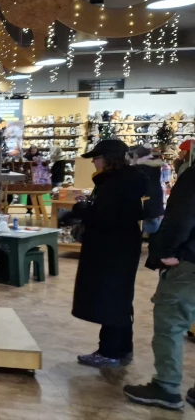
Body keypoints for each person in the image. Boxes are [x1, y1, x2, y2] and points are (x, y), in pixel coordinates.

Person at [124, 143, 195, 409]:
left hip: (188, 264)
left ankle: (166, 386)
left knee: (171, 324)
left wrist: (167, 251)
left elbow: (181, 216)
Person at [72, 139, 147, 367]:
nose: (94, 161)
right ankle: (122, 348)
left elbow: (105, 217)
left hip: (111, 251)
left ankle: (109, 351)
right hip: (120, 248)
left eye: (97, 157)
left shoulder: (115, 184)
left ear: (108, 158)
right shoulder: (124, 181)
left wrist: (83, 209)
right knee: (120, 299)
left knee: (110, 299)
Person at [129, 145, 165, 236]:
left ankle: (155, 242)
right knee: (153, 218)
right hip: (155, 194)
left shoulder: (142, 166)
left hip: (147, 195)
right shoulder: (153, 164)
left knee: (151, 219)